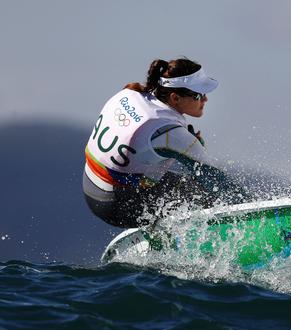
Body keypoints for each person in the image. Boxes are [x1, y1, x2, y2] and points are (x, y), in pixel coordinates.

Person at [83, 58, 248, 228]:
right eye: (198, 95)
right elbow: (214, 179)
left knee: (181, 184)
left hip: (90, 186)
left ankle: (161, 231)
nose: (205, 100)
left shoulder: (130, 93)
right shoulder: (171, 133)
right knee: (203, 195)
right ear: (175, 98)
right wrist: (250, 207)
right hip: (115, 206)